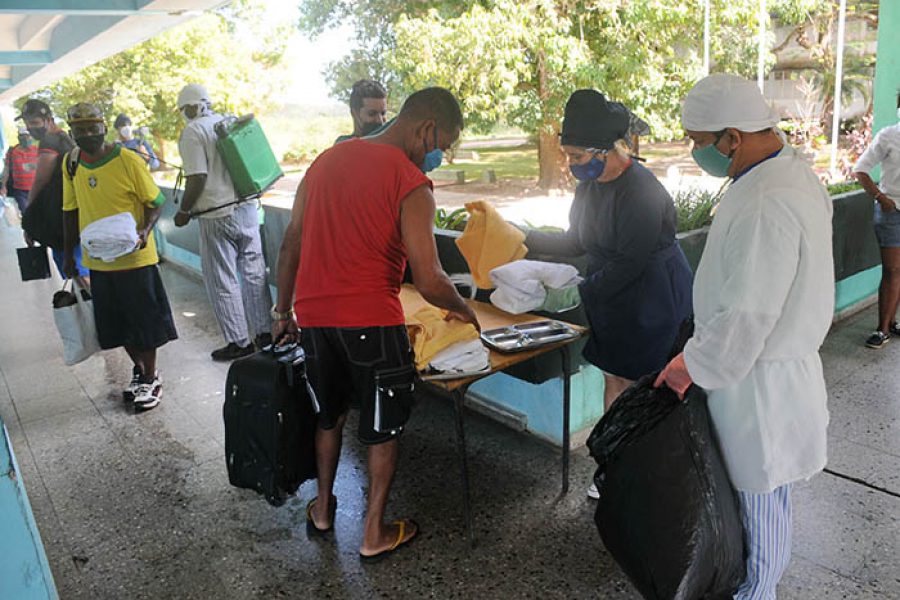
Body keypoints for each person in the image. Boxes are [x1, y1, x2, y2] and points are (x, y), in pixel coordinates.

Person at [273, 87, 478, 562]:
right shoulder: (410, 182)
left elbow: (290, 247)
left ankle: (322, 510)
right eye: (441, 145)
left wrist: (283, 314)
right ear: (425, 128)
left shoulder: (326, 161)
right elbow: (429, 279)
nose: (437, 156)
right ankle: (373, 533)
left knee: (329, 416)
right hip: (373, 323)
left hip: (316, 320)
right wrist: (464, 309)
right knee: (383, 429)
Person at [655, 74, 834, 598]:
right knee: (764, 502)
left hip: (758, 386)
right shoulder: (787, 174)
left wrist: (690, 365)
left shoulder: (764, 200)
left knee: (759, 518)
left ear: (732, 137)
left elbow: (749, 313)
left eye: (698, 140)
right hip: (766, 376)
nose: (694, 151)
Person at [523, 89, 694, 499]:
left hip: (652, 294)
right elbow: (576, 241)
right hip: (610, 293)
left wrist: (577, 293)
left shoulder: (643, 191)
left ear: (605, 150)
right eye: (568, 155)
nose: (570, 164)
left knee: (651, 384)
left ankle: (653, 474)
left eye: (576, 156)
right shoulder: (590, 187)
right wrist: (523, 242)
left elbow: (630, 263)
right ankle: (614, 462)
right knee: (613, 374)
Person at [61, 102, 177, 411]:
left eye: (92, 128)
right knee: (117, 324)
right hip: (98, 261)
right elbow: (70, 210)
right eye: (80, 130)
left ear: (103, 128)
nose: (87, 135)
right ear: (72, 133)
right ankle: (139, 372)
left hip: (134, 260)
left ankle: (151, 377)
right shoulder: (71, 162)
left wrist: (145, 231)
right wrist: (70, 253)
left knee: (144, 322)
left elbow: (156, 201)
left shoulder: (128, 160)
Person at [174, 83, 272, 361]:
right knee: (254, 274)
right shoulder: (228, 122)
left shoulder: (194, 131)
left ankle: (239, 342)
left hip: (217, 214)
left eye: (184, 109)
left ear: (192, 107)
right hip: (248, 208)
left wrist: (183, 211)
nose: (184, 114)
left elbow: (197, 177)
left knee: (222, 279)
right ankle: (265, 334)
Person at [18, 98, 89, 280]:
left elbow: (41, 180)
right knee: (80, 268)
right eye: (27, 123)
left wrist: (29, 219)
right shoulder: (64, 138)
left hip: (61, 218)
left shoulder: (49, 142)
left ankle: (91, 305)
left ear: (49, 120)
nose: (31, 128)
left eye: (34, 122)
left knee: (76, 271)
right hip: (76, 212)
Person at [853, 91, 900, 348]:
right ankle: (882, 330)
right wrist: (881, 197)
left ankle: (893, 322)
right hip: (891, 212)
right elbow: (860, 170)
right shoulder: (889, 136)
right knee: (892, 270)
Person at [334, 79, 388, 143]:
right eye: (372, 114)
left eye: (383, 113)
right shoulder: (343, 146)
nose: (380, 120)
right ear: (355, 114)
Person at [1, 127, 39, 216]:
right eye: (23, 136)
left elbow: (42, 167)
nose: (26, 139)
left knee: (38, 215)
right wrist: (3, 186)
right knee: (26, 214)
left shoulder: (37, 150)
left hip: (36, 190)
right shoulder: (12, 152)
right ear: (19, 137)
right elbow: (6, 169)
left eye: (28, 136)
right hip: (20, 191)